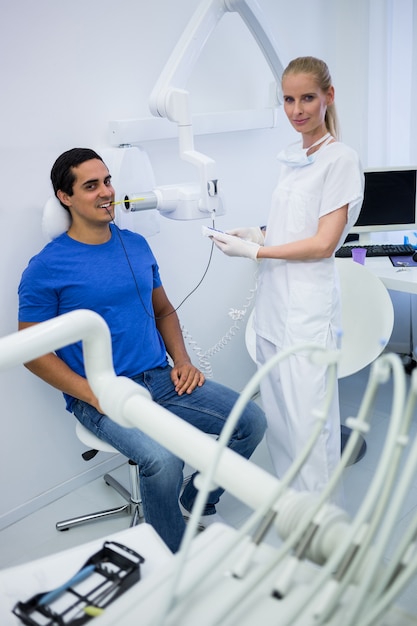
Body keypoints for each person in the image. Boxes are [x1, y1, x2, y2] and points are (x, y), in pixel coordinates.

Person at [17, 147, 266, 553]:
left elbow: (164, 310)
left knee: (250, 421)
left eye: (108, 181)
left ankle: (197, 500)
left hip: (160, 378)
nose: (106, 192)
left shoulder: (135, 245)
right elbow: (32, 351)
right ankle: (169, 557)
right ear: (66, 197)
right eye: (91, 185)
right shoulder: (47, 267)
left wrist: (182, 362)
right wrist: (91, 392)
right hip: (99, 394)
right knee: (165, 459)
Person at [210, 57, 364, 496]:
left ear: (328, 97)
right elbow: (293, 227)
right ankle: (292, 512)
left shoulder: (341, 161)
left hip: (306, 316)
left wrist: (257, 249)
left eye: (307, 98)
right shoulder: (293, 158)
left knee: (311, 428)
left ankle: (319, 528)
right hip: (273, 309)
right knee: (279, 422)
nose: (297, 110)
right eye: (289, 99)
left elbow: (322, 243)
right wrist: (256, 233)